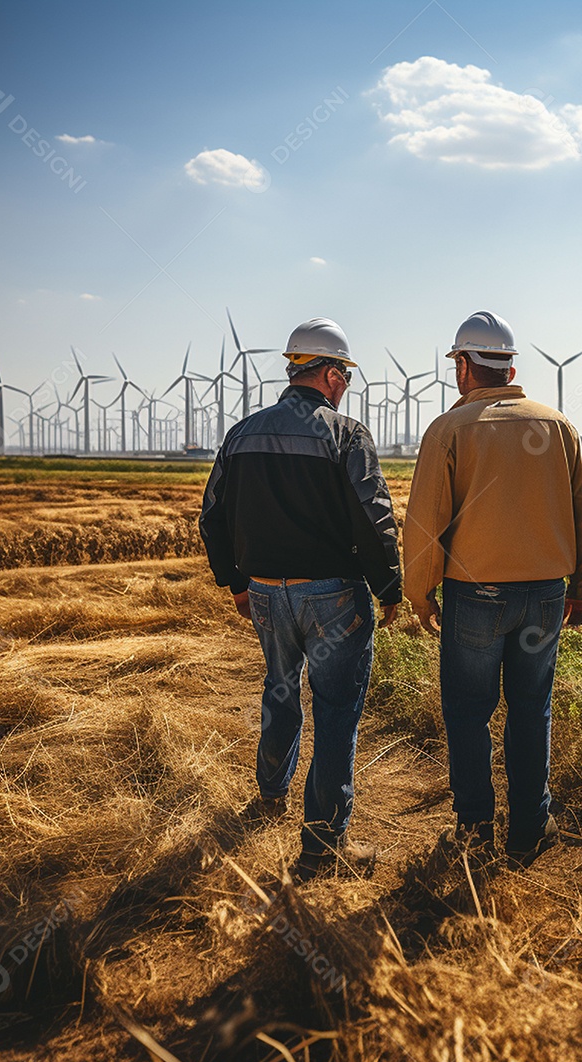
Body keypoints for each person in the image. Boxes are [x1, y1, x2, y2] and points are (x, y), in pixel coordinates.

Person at [200, 317, 401, 881]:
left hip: (265, 592)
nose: (347, 387)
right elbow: (374, 518)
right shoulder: (347, 435)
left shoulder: (242, 434)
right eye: (347, 376)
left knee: (281, 690)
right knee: (336, 711)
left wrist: (235, 582)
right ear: (331, 374)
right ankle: (323, 845)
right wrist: (389, 587)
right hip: (332, 595)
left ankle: (270, 794)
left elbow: (212, 517)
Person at [403, 311, 582, 870]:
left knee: (469, 712)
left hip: (475, 595)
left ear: (465, 366)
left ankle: (474, 830)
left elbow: (425, 522)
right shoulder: (558, 426)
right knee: (531, 708)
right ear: (510, 368)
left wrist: (420, 593)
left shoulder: (448, 430)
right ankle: (530, 829)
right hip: (545, 594)